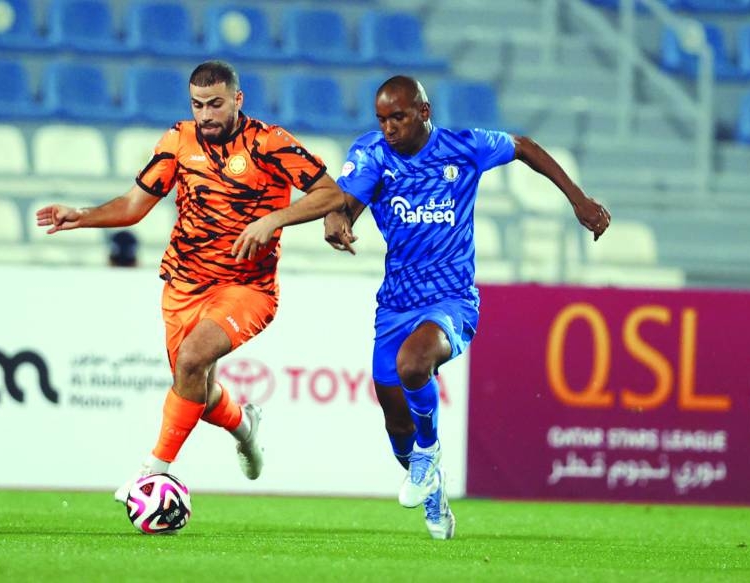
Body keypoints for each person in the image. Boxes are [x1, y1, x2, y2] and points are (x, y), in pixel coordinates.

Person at [36, 60, 349, 502]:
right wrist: (81, 215)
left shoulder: (269, 142)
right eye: (198, 105)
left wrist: (273, 220)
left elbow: (330, 194)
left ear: (237, 100)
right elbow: (133, 206)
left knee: (191, 360)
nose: (206, 115)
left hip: (247, 287)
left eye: (216, 104)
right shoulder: (178, 140)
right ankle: (244, 425)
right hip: (183, 285)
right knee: (195, 391)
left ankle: (151, 473)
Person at [324, 76, 610, 540]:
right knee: (394, 413)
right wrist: (337, 223)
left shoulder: (464, 147)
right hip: (396, 302)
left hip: (452, 299)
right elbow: (346, 204)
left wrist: (577, 199)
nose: (389, 127)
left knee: (414, 364)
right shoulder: (374, 152)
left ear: (424, 110)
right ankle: (431, 485)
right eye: (382, 119)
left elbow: (524, 147)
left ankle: (429, 451)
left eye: (398, 116)